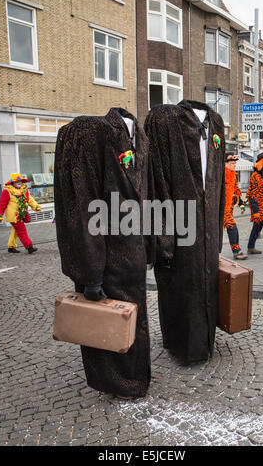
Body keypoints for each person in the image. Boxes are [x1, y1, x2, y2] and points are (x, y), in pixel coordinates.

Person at [54, 108, 152, 399]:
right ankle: (118, 382)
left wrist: (150, 246)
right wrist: (89, 273)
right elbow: (81, 213)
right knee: (105, 323)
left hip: (131, 256)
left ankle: (135, 376)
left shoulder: (138, 139)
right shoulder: (90, 135)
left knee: (133, 319)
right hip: (105, 259)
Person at [144, 100, 225, 364]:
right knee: (180, 287)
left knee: (205, 286)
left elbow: (219, 182)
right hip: (179, 229)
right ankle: (183, 346)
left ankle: (202, 343)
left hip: (206, 229)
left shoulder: (215, 122)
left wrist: (216, 232)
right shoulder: (165, 120)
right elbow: (156, 186)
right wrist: (162, 237)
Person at [0, 173, 41, 254]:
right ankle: (29, 247)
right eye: (17, 182)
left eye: (20, 181)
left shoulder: (24, 190)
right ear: (12, 183)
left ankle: (11, 246)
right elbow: (1, 203)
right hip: (13, 216)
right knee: (21, 230)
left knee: (16, 230)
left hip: (21, 214)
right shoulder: (8, 191)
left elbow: (29, 199)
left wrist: (35, 206)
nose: (19, 183)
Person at [224, 153, 248, 260]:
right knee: (232, 227)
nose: (234, 165)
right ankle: (236, 251)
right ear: (225, 164)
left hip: (229, 208)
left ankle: (236, 250)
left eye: (235, 163)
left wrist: (242, 204)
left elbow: (236, 191)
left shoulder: (233, 175)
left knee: (231, 228)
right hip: (221, 208)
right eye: (232, 163)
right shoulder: (220, 175)